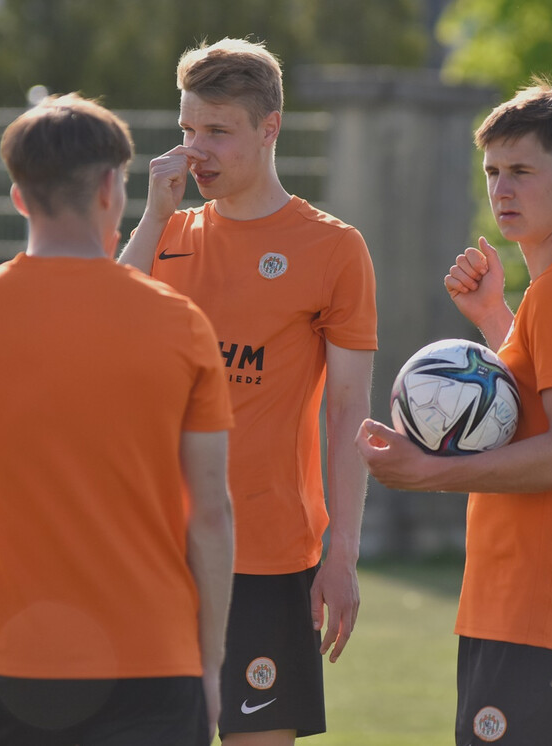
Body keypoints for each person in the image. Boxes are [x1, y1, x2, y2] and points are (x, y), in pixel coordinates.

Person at [0, 93, 235, 746]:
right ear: (111, 190)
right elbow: (210, 514)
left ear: (17, 196)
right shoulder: (180, 324)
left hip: (11, 665)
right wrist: (209, 666)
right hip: (155, 663)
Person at [357, 76, 552, 746]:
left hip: (539, 609)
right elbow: (543, 403)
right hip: (540, 609)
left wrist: (426, 473)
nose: (501, 190)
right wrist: (494, 318)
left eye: (521, 171)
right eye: (491, 171)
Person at [118, 38, 378, 744]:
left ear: (270, 130)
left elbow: (350, 411)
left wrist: (343, 553)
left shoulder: (333, 248)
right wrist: (150, 218)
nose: (194, 151)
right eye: (186, 130)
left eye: (217, 132)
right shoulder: (167, 232)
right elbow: (103, 325)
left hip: (268, 555)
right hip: (155, 549)